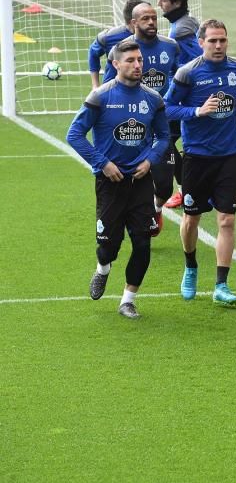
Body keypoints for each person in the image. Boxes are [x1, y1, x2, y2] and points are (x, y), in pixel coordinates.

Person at [66, 41, 169, 319]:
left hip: (141, 182)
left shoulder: (153, 99)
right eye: (131, 61)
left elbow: (164, 136)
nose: (137, 65)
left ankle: (128, 300)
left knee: (143, 243)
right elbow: (74, 134)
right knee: (108, 247)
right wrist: (103, 163)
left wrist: (150, 160)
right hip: (110, 183)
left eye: (140, 60)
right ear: (115, 64)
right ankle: (103, 269)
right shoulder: (100, 97)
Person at [164, 19, 236, 307]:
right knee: (191, 219)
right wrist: (197, 111)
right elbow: (168, 109)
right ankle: (190, 267)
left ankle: (221, 284)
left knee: (226, 219)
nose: (218, 45)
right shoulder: (187, 73)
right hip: (197, 156)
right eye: (212, 40)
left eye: (222, 40)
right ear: (201, 43)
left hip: (229, 155)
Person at [105, 2, 181, 237]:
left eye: (154, 17)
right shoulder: (121, 52)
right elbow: (110, 85)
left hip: (161, 124)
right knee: (129, 178)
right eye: (145, 18)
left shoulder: (170, 46)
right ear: (133, 23)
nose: (151, 22)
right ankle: (130, 218)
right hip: (132, 126)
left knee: (165, 185)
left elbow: (180, 77)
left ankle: (157, 209)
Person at [158, 0, 202, 210]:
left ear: (176, 3)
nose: (159, 4)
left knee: (166, 140)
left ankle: (184, 189)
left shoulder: (180, 30)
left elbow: (198, 60)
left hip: (189, 95)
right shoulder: (185, 23)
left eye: (163, 0)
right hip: (191, 93)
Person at [88, 0, 144, 89]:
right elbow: (92, 53)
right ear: (133, 21)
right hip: (112, 94)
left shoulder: (153, 38)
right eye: (145, 17)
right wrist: (95, 85)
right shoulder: (109, 36)